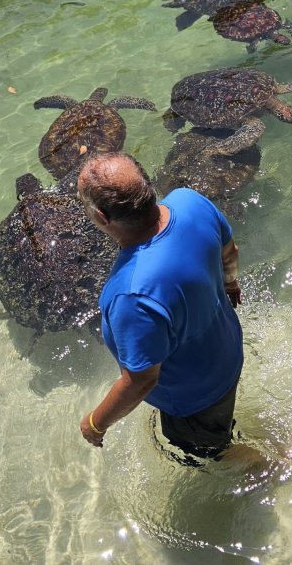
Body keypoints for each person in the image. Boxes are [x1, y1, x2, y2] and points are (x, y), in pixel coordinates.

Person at [76, 152, 244, 462]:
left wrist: (95, 423)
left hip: (197, 396)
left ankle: (269, 467)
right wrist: (230, 284)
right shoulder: (189, 202)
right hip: (228, 350)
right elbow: (229, 250)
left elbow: (141, 380)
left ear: (101, 216)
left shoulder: (131, 294)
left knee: (207, 455)